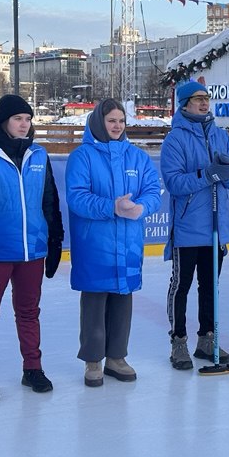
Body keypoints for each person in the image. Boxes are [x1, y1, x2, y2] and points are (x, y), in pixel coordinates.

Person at [0, 95, 64, 400]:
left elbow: (49, 202)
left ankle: (33, 367)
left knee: (29, 311)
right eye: (18, 118)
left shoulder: (39, 156)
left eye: (28, 119)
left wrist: (54, 239)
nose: (24, 124)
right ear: (4, 121)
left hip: (32, 250)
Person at [65, 98, 160, 387]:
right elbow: (77, 197)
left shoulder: (137, 157)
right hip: (95, 244)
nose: (117, 126)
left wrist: (142, 208)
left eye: (121, 120)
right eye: (111, 120)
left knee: (123, 299)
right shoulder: (82, 157)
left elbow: (153, 191)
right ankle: (93, 360)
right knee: (95, 301)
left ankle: (117, 357)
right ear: (98, 122)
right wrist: (112, 207)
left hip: (128, 244)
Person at [160, 80, 229, 369]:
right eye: (197, 99)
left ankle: (207, 339)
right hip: (188, 228)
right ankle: (178, 340)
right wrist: (207, 174)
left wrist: (228, 170)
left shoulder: (220, 135)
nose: (204, 103)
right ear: (184, 104)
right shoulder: (175, 139)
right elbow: (174, 182)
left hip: (216, 227)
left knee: (210, 287)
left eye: (206, 98)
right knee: (181, 285)